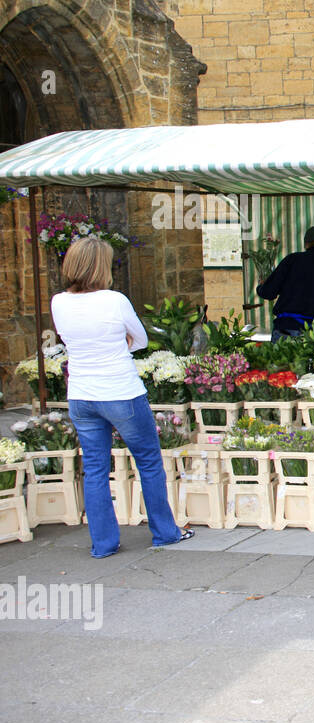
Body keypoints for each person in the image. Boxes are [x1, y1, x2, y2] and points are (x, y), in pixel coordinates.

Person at [50, 238, 193, 558]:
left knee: (96, 469)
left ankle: (103, 544)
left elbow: (71, 341)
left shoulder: (58, 302)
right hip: (120, 392)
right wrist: (116, 347)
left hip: (81, 396)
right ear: (101, 267)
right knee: (149, 462)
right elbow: (140, 339)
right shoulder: (114, 300)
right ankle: (165, 532)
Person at [256, 225, 314, 341]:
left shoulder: (291, 260)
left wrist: (261, 286)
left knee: (282, 360)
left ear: (306, 244)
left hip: (285, 330)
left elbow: (268, 292)